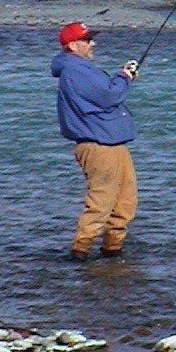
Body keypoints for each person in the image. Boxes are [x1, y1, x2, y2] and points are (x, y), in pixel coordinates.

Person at [51, 22, 139, 261]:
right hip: (99, 146)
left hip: (113, 143)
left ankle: (113, 252)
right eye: (87, 40)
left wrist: (123, 78)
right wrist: (125, 77)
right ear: (72, 45)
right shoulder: (75, 70)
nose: (93, 44)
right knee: (101, 202)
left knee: (125, 202)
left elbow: (103, 94)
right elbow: (109, 95)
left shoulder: (80, 69)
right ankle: (80, 252)